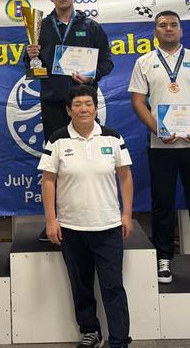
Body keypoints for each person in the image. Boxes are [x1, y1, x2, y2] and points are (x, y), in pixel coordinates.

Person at [128, 10, 190, 285]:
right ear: (155, 31)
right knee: (162, 204)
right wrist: (157, 129)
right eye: (163, 25)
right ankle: (163, 258)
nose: (168, 28)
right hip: (161, 145)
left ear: (181, 30)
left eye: (173, 25)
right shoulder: (144, 62)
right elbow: (137, 101)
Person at [39, 85, 133, 348]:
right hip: (71, 228)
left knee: (113, 286)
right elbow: (48, 180)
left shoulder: (112, 137)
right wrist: (51, 220)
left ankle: (119, 340)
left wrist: (127, 213)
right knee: (81, 286)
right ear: (69, 110)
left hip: (108, 227)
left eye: (88, 104)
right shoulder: (57, 140)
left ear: (96, 108)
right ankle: (90, 331)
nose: (83, 109)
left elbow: (125, 176)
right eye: (78, 105)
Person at [25, 0, 113, 241]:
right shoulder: (40, 27)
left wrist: (92, 76)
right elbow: (31, 67)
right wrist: (30, 57)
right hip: (53, 102)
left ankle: (90, 218)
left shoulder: (91, 27)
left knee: (88, 162)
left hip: (84, 103)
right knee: (56, 164)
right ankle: (55, 222)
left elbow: (107, 62)